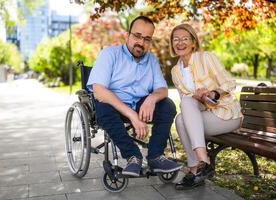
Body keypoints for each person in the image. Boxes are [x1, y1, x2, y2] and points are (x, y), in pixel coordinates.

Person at [87, 16, 182, 177]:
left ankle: (155, 157)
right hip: (113, 106)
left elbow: (162, 89)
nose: (141, 42)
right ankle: (133, 157)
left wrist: (152, 99)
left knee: (167, 105)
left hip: (140, 105)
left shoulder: (151, 60)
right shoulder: (109, 54)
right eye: (137, 36)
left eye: (147, 39)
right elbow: (99, 90)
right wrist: (132, 115)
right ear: (127, 35)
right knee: (102, 107)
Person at [169, 24, 243, 189]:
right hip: (203, 115)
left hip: (227, 115)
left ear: (193, 42)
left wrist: (212, 94)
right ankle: (198, 168)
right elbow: (187, 103)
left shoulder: (206, 57)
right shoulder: (175, 71)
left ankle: (200, 164)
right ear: (172, 44)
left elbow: (229, 83)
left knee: (183, 115)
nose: (180, 42)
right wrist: (198, 97)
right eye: (176, 39)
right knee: (181, 117)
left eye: (185, 39)